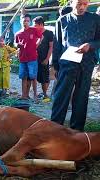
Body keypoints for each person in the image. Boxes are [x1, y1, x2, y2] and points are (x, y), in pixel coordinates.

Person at [51, 0, 100, 131]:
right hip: (67, 64)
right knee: (61, 97)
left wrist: (91, 45)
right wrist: (55, 65)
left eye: (85, 4)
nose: (82, 7)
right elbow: (57, 44)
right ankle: (54, 129)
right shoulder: (62, 20)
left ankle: (76, 131)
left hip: (86, 64)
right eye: (79, 3)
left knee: (81, 98)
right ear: (72, 2)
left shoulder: (95, 19)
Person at [15, 14, 42, 101]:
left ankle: (35, 95)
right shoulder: (18, 33)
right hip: (22, 58)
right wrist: (17, 45)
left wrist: (36, 45)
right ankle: (24, 95)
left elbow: (41, 37)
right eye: (24, 20)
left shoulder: (34, 30)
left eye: (27, 21)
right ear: (21, 21)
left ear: (29, 22)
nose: (25, 22)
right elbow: (16, 43)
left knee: (33, 77)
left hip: (32, 58)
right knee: (23, 77)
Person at [33, 16, 54, 101]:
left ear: (41, 24)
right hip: (34, 58)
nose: (34, 27)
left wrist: (47, 58)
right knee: (33, 76)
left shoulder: (49, 33)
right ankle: (35, 94)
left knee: (44, 77)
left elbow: (51, 47)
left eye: (35, 25)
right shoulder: (34, 33)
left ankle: (45, 94)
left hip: (44, 58)